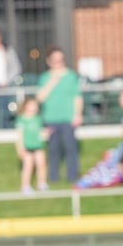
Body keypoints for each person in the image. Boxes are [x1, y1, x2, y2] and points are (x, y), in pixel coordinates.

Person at [36, 47, 82, 185]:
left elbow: (77, 97)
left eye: (61, 60)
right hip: (51, 118)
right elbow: (40, 98)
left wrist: (77, 114)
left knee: (70, 148)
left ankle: (73, 176)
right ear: (49, 62)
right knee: (53, 149)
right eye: (55, 61)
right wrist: (52, 81)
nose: (59, 63)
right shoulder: (44, 78)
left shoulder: (71, 76)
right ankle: (53, 177)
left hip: (68, 118)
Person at [15, 95, 48, 193]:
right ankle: (25, 186)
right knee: (28, 167)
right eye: (32, 105)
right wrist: (20, 149)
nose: (34, 108)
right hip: (27, 147)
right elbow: (19, 137)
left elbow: (40, 132)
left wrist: (45, 134)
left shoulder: (38, 119)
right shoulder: (22, 120)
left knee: (41, 165)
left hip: (38, 146)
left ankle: (42, 183)